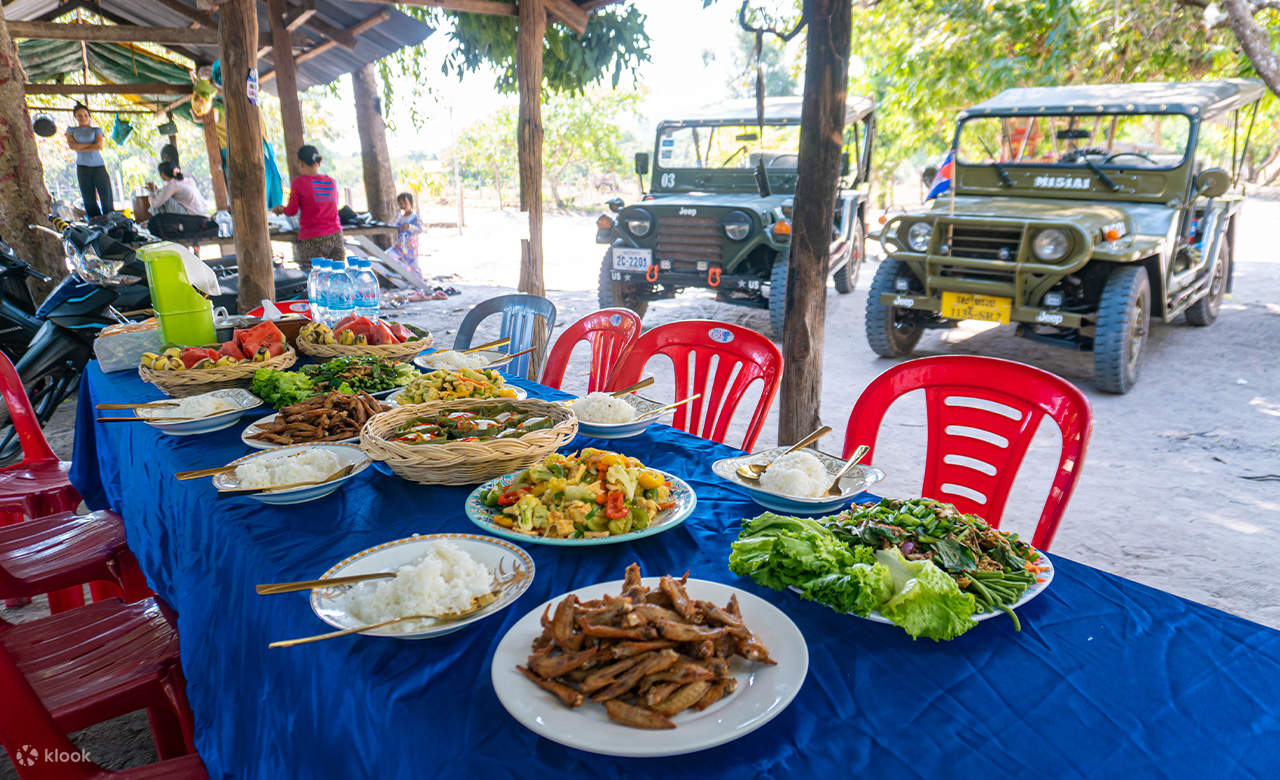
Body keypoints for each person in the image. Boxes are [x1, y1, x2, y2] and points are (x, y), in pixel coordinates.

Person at [273, 145, 342, 270]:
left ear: (301, 163)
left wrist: (281, 209)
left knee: (313, 278)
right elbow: (333, 204)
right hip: (335, 236)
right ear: (317, 163)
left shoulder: (299, 183)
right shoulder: (331, 181)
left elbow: (292, 211)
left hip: (311, 239)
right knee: (337, 277)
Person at [64, 103, 114, 218]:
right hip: (82, 168)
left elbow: (98, 146)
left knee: (106, 196)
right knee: (88, 199)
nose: (83, 117)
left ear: (89, 116)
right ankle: (96, 222)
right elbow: (72, 146)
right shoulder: (71, 130)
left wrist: (79, 146)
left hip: (99, 167)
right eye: (79, 115)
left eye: (85, 115)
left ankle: (111, 221)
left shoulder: (97, 130)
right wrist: (90, 145)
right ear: (75, 117)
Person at [391, 192, 424, 273]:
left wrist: (409, 227)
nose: (403, 206)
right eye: (400, 203)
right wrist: (398, 215)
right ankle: (406, 271)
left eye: (405, 203)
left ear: (411, 203)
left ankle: (418, 282)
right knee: (390, 256)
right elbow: (391, 225)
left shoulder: (415, 217)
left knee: (414, 266)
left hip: (411, 247)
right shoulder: (400, 217)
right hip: (400, 246)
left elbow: (420, 229)